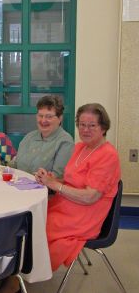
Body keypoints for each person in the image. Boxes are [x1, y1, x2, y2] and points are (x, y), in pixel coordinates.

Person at [35, 103, 121, 272]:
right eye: (82, 125)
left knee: (36, 227)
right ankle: (18, 271)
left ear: (103, 128)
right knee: (30, 218)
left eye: (92, 125)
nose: (85, 130)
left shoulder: (108, 154)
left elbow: (91, 196)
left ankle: (22, 277)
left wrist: (55, 185)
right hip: (65, 205)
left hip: (85, 215)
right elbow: (71, 179)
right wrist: (51, 178)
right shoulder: (80, 147)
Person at [11, 95, 74, 178]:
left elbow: (58, 177)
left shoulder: (65, 142)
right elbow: (15, 165)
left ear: (60, 118)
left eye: (49, 116)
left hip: (45, 190)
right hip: (17, 186)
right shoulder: (29, 137)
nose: (43, 120)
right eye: (40, 116)